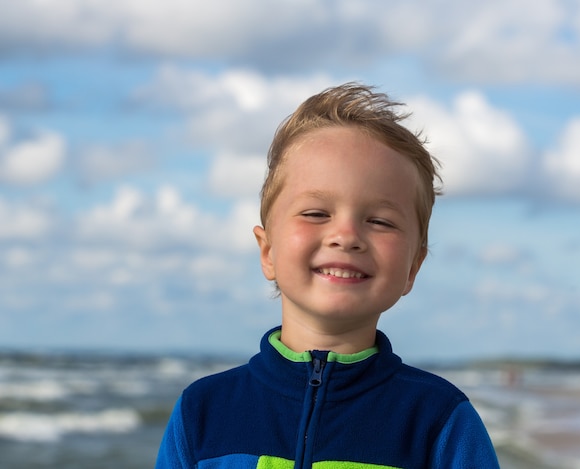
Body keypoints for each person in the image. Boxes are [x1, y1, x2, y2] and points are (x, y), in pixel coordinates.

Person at [156, 83, 500, 468]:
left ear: (412, 268)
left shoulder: (438, 420)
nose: (346, 236)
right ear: (268, 251)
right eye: (316, 213)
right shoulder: (203, 412)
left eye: (380, 221)